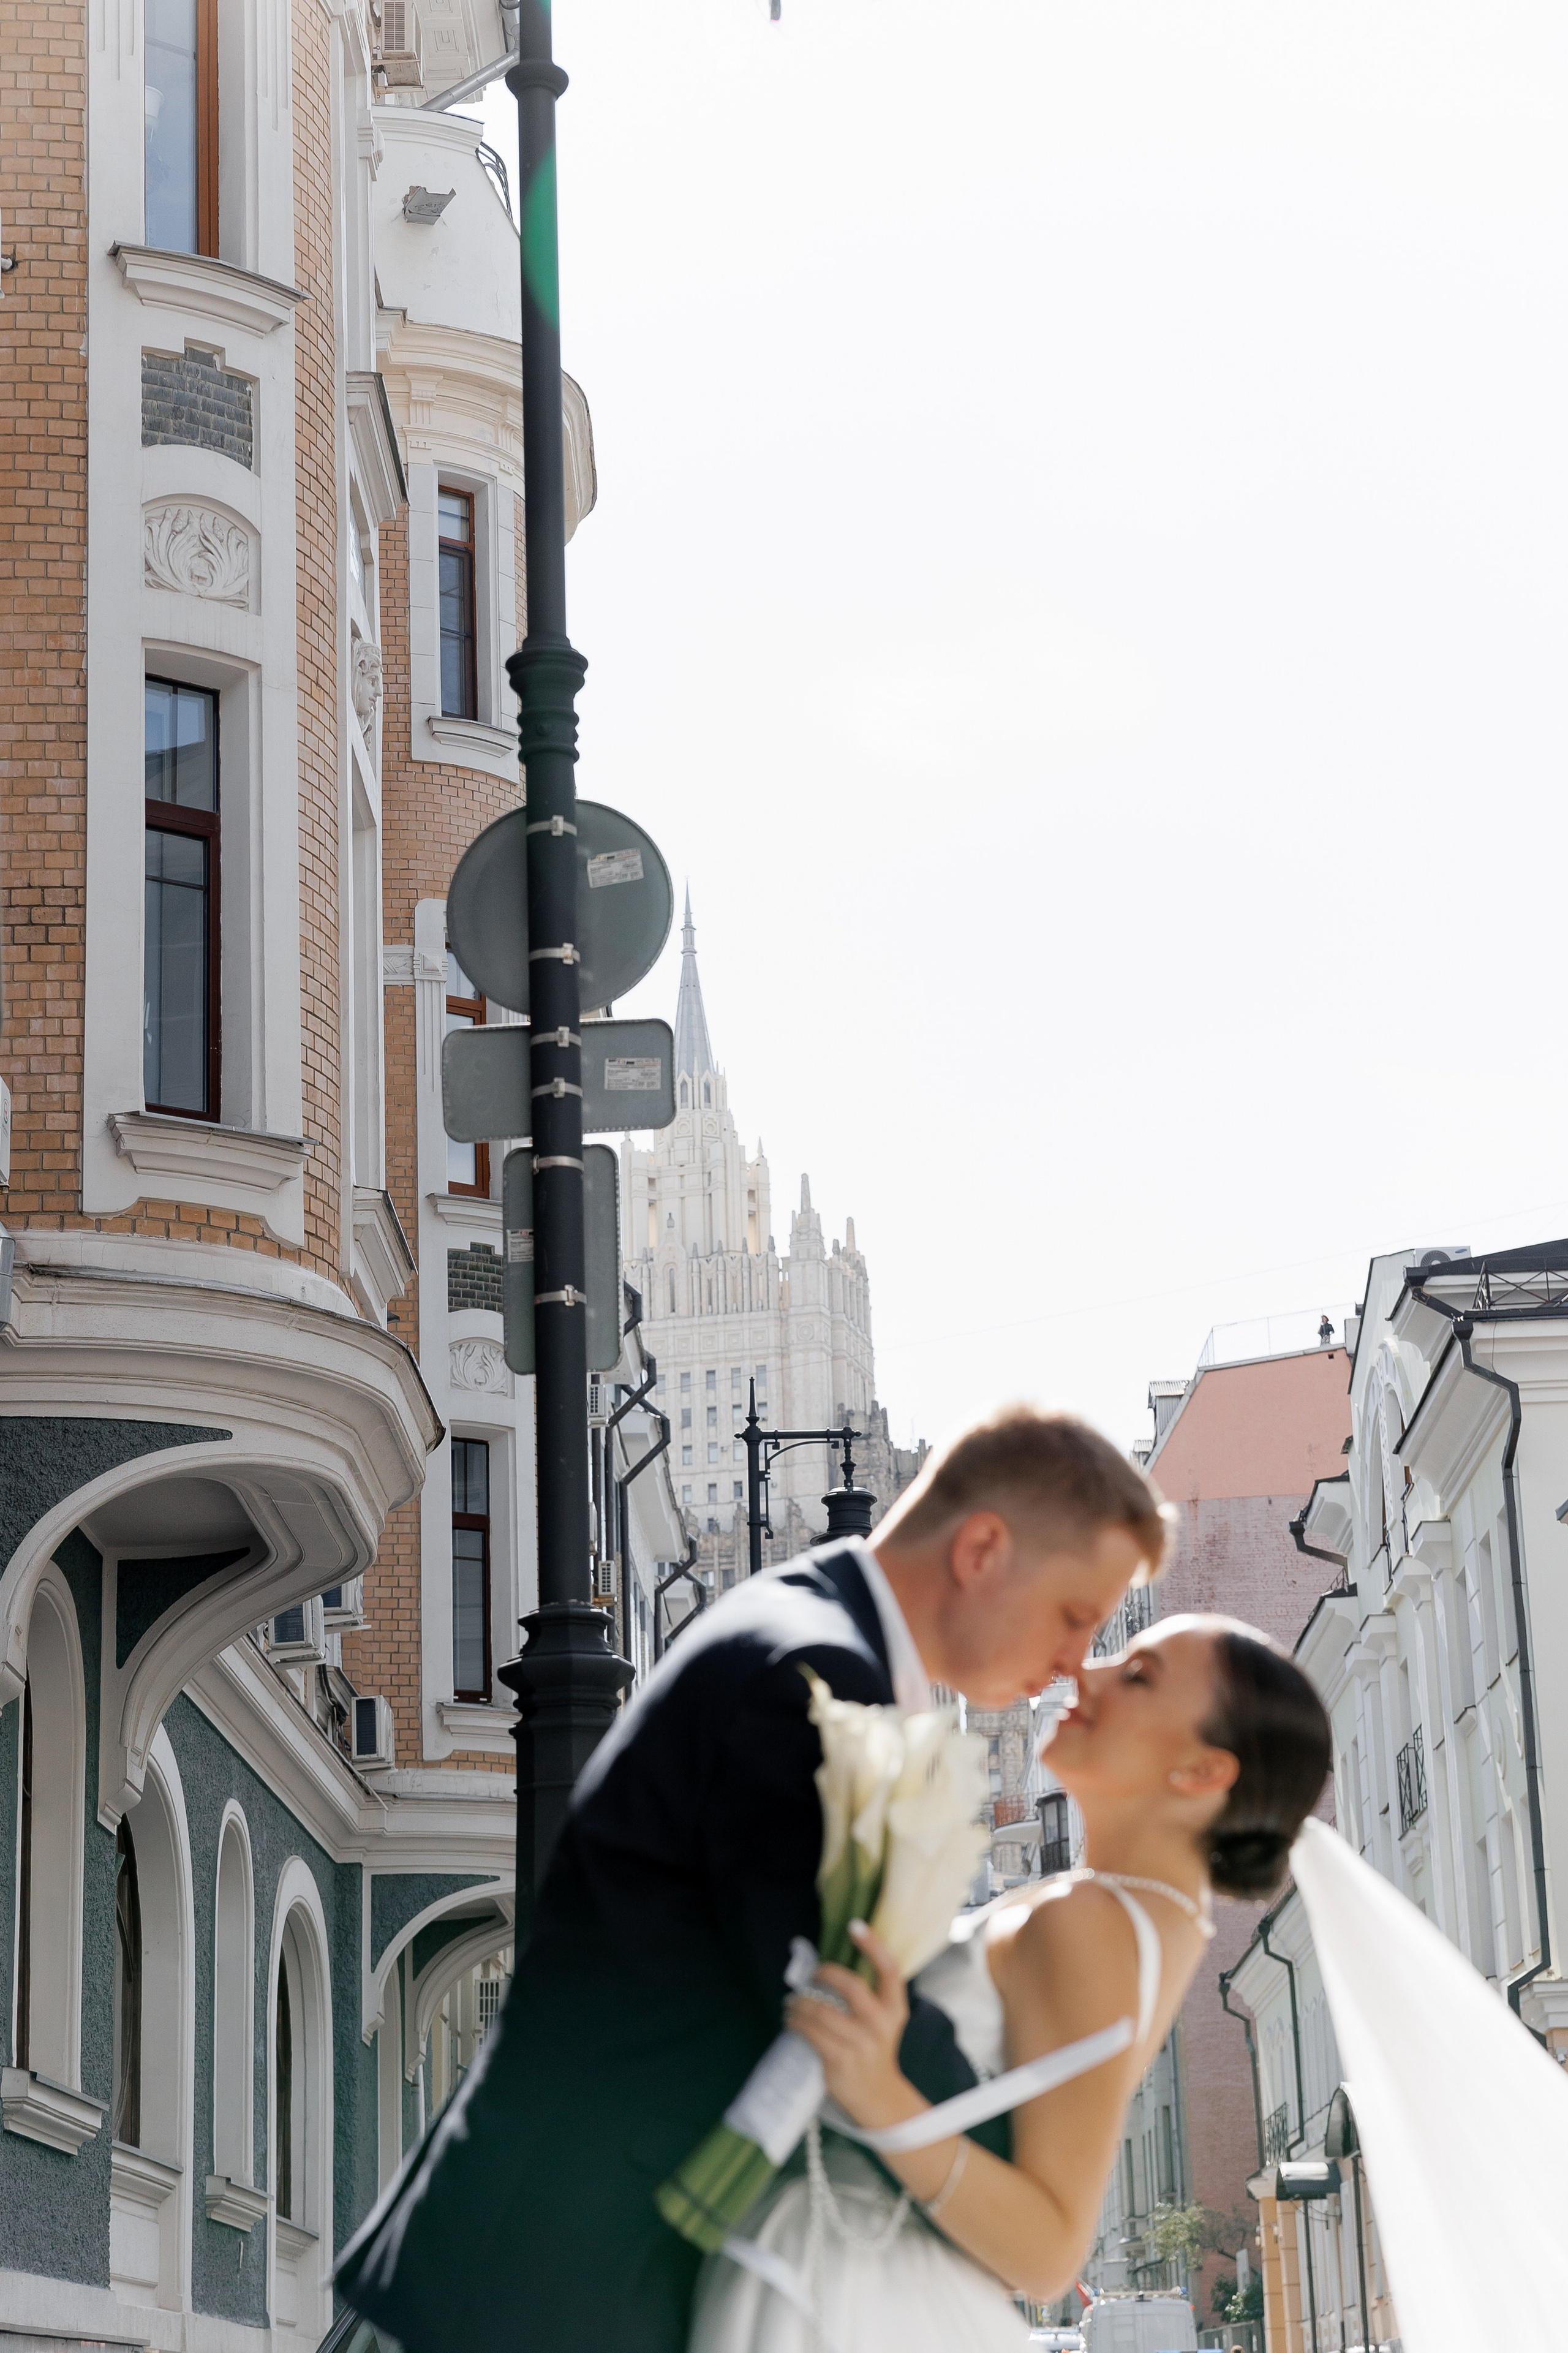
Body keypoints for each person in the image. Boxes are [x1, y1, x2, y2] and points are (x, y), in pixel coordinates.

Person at [335, 1407, 1171, 2353]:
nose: (1072, 1665)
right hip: (550, 2288)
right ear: (983, 1548)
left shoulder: (806, 1630)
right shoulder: (805, 1673)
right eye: (1074, 1617)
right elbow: (840, 1994)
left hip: (565, 2266)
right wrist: (1027, 2197)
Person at [690, 1615, 1332, 2352]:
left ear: (1201, 1770)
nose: (1086, 1670)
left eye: (1137, 1674)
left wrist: (876, 2091)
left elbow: (1047, 2254)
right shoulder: (1153, 1916)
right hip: (878, 2279)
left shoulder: (1092, 1919)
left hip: (835, 2293)